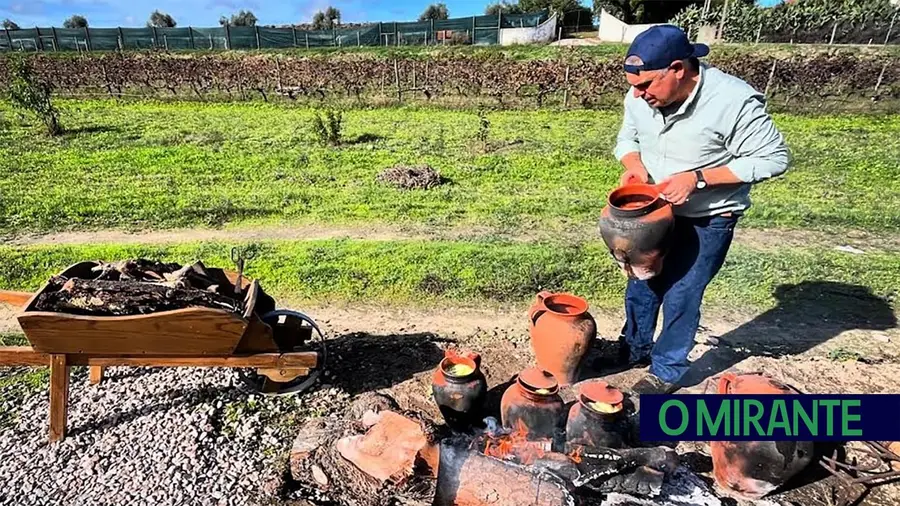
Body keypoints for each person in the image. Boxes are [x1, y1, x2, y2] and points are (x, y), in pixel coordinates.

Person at [611, 25, 791, 395]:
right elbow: (628, 138)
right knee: (641, 282)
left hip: (709, 218)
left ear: (677, 68)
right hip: (653, 214)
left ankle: (666, 370)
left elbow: (774, 158)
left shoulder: (732, 100)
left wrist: (699, 179)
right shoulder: (640, 96)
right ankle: (633, 349)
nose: (637, 94)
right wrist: (634, 164)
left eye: (645, 86)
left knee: (682, 293)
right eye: (633, 85)